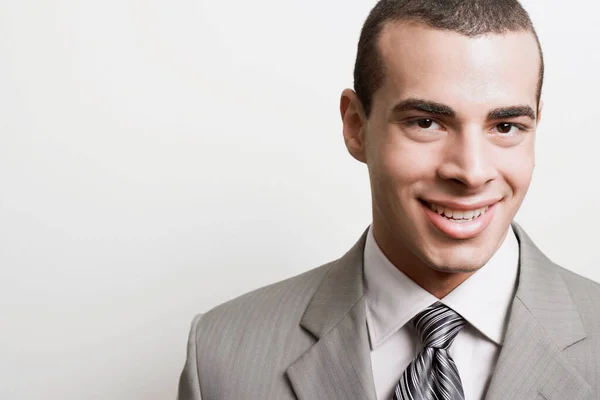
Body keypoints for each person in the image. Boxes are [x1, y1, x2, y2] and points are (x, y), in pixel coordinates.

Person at [177, 0, 600, 399]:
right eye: (427, 122)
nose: (471, 172)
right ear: (356, 126)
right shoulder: (218, 356)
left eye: (505, 126)